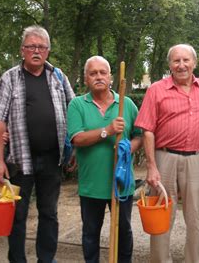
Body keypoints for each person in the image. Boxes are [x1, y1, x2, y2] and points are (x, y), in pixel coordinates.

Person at [0, 26, 75, 263]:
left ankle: (46, 259)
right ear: (22, 50)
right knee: (17, 215)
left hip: (52, 159)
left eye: (41, 47)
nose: (36, 51)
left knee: (49, 213)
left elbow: (74, 111)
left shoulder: (58, 76)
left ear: (48, 50)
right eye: (31, 46)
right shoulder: (9, 78)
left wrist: (73, 148)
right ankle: (17, 260)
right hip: (18, 159)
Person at [135, 44, 199, 263]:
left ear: (195, 63)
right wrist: (152, 166)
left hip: (196, 159)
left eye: (186, 60)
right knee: (162, 215)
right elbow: (147, 130)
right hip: (164, 159)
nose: (181, 65)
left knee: (195, 217)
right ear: (170, 64)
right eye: (176, 61)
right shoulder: (156, 89)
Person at [67, 56, 142, 263]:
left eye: (102, 72)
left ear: (111, 77)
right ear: (86, 78)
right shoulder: (77, 105)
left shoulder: (125, 104)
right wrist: (107, 131)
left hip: (121, 183)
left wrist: (128, 149)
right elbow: (77, 138)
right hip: (91, 185)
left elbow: (139, 135)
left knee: (123, 232)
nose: (98, 77)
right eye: (93, 73)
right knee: (91, 234)